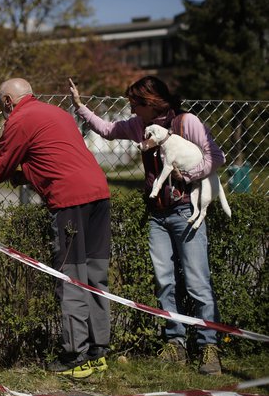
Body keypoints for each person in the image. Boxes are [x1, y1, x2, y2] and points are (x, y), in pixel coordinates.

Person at [0, 78, 112, 378]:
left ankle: (75, 356)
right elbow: (54, 157)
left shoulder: (18, 121)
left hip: (69, 203)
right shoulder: (56, 113)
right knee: (95, 274)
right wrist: (26, 175)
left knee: (71, 277)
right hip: (99, 194)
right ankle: (98, 350)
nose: (1, 111)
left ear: (7, 102)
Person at [69, 76, 224, 375]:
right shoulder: (138, 126)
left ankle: (208, 346)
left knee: (197, 281)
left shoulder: (186, 122)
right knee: (164, 281)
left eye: (134, 104)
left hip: (185, 211)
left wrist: (189, 175)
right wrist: (80, 108)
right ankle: (175, 343)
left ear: (150, 103)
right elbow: (108, 130)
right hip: (158, 215)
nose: (130, 109)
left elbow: (214, 157)